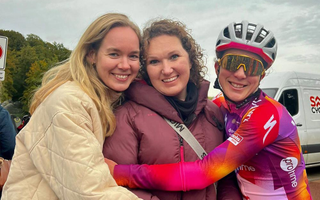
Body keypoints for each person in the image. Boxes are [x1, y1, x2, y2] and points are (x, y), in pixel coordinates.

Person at [105, 21, 313, 199]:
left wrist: (121, 173)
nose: (240, 74)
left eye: (251, 67)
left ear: (262, 76)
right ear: (217, 68)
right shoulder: (218, 107)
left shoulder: (266, 114)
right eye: (232, 62)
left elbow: (205, 173)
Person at [1, 13, 142, 200]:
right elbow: (90, 192)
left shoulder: (98, 100)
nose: (125, 65)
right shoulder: (70, 102)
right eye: (114, 54)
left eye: (133, 56)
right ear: (92, 54)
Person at [103, 19, 241, 200]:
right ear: (146, 70)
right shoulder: (127, 117)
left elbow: (226, 178)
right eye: (154, 61)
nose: (167, 69)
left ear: (191, 60)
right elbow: (118, 188)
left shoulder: (213, 113)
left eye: (174, 56)